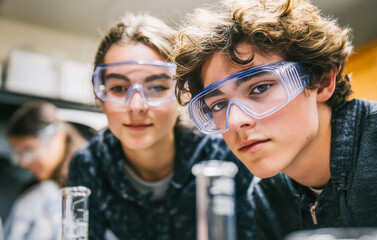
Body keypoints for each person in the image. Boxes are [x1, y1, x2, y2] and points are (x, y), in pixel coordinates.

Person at [173, 0, 377, 239]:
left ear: (322, 81)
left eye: (260, 88)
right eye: (218, 105)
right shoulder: (266, 197)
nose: (237, 120)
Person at [67, 13, 254, 240]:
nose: (137, 106)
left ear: (181, 93)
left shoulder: (221, 155)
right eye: (118, 88)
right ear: (101, 97)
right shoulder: (90, 165)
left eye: (156, 87)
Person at [4, 101, 87, 240]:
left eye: (29, 151)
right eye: (18, 154)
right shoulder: (36, 195)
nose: (23, 162)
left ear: (58, 137)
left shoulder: (45, 196)